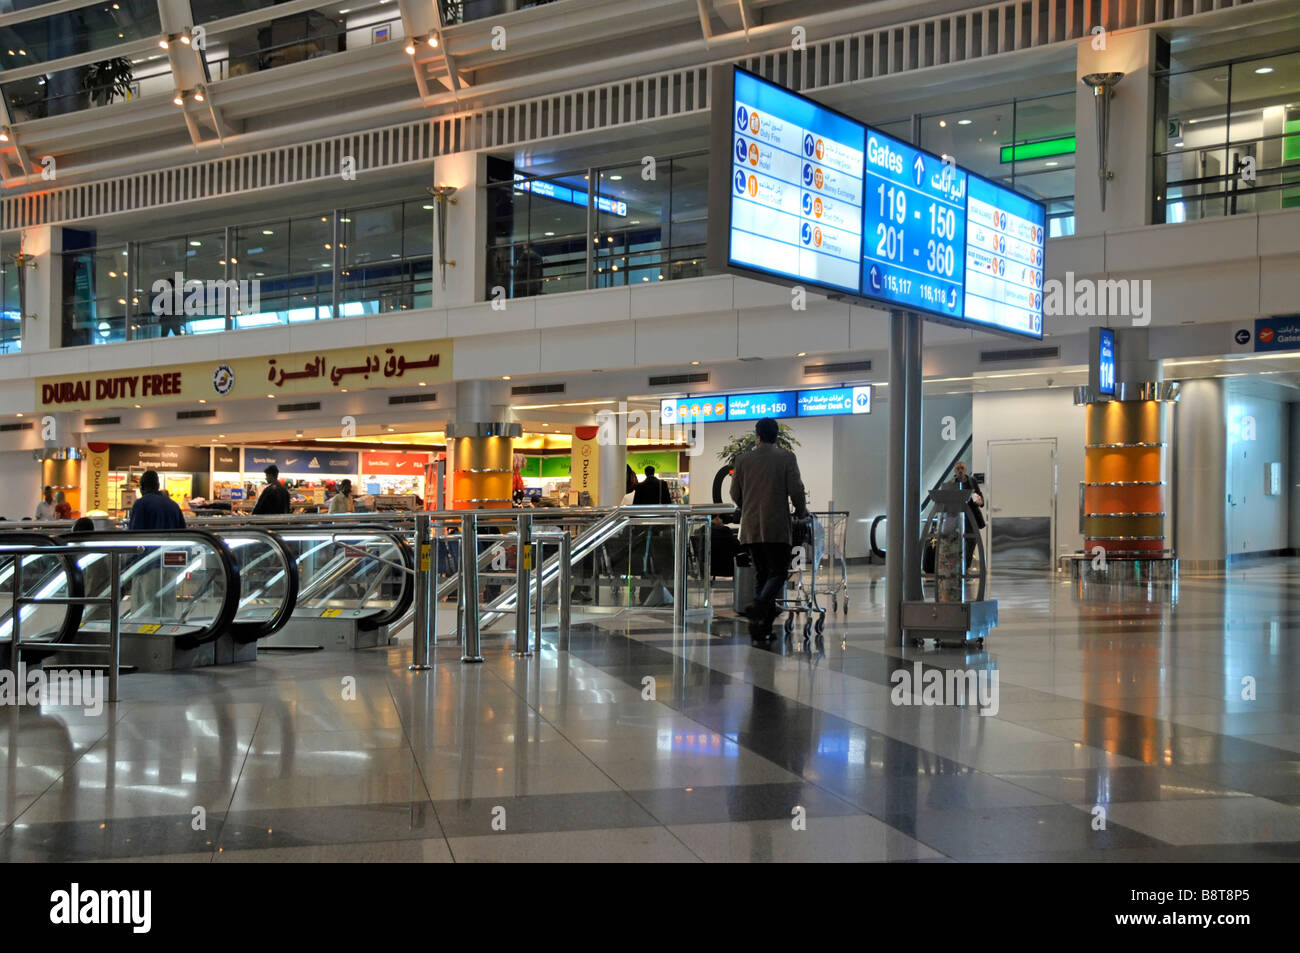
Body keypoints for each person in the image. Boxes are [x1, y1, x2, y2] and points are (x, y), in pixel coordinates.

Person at [730, 417, 807, 640]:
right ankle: (759, 605)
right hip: (776, 527)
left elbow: (735, 493)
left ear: (758, 436)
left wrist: (748, 507)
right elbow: (796, 489)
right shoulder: (786, 457)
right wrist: (801, 511)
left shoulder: (743, 460)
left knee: (761, 573)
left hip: (751, 527)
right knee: (779, 572)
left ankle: (760, 626)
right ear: (777, 436)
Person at [631, 465, 673, 605]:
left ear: (645, 473)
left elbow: (635, 507)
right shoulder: (662, 485)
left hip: (645, 525)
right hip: (660, 524)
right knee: (661, 554)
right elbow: (668, 503)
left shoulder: (640, 487)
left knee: (646, 554)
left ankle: (646, 588)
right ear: (654, 473)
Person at [951, 461, 985, 574]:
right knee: (957, 541)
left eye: (962, 468)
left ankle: (966, 567)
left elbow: (979, 495)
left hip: (971, 515)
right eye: (958, 468)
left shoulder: (972, 481)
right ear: (955, 471)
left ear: (965, 469)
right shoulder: (952, 483)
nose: (960, 470)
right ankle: (957, 567)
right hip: (957, 516)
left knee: (971, 540)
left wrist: (980, 501)